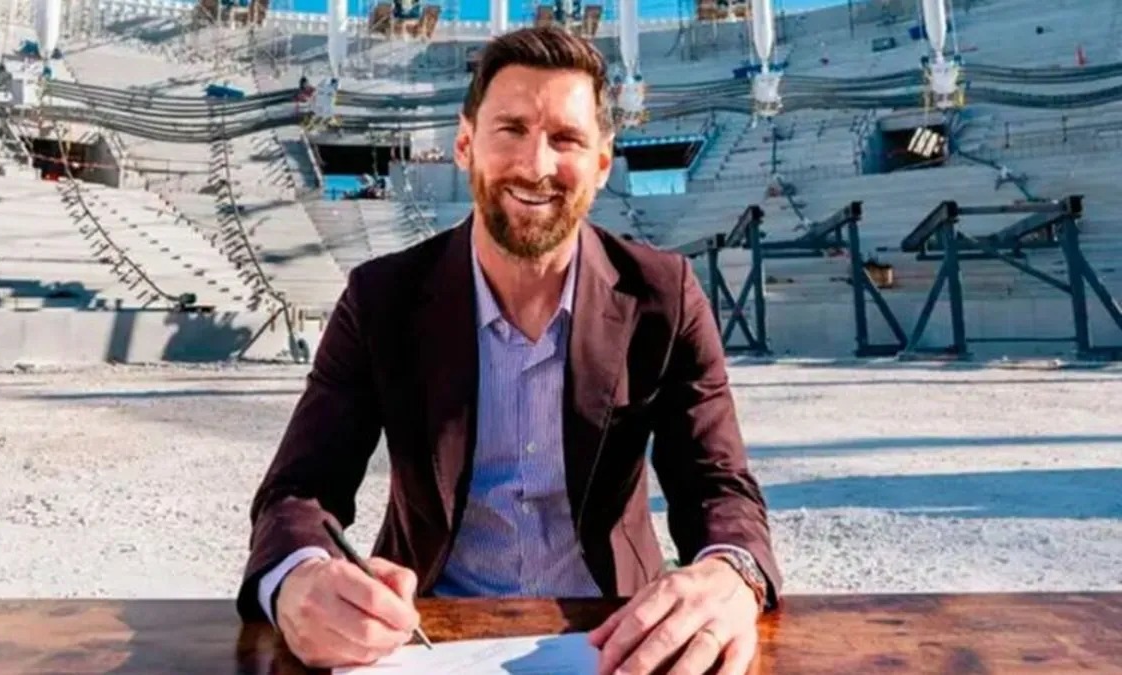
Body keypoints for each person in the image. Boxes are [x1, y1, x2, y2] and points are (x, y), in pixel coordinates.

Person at [237, 26, 781, 674]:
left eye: (566, 138)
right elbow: (298, 490)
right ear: (465, 144)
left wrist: (731, 573)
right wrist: (299, 578)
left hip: (611, 636)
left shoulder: (665, 296)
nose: (536, 165)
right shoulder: (380, 299)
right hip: (421, 640)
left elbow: (719, 487)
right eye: (512, 129)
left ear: (602, 162)